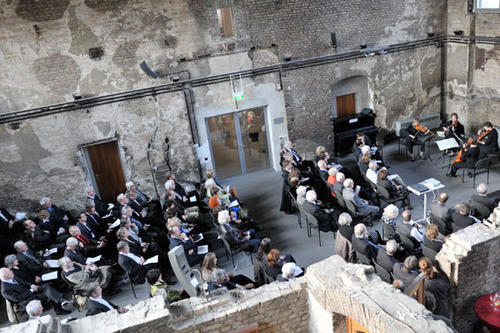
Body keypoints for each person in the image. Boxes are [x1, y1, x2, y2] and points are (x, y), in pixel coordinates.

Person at [0, 267, 71, 315]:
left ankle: (61, 300)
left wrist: (31, 285)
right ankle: (60, 307)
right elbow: (18, 299)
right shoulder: (5, 289)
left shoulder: (12, 276)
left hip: (30, 291)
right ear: (5, 277)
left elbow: (24, 282)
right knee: (49, 294)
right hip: (26, 300)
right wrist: (30, 291)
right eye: (9, 272)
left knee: (46, 287)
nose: (12, 271)